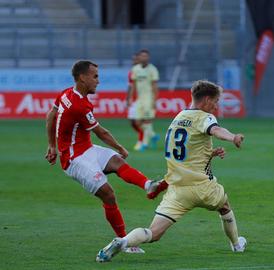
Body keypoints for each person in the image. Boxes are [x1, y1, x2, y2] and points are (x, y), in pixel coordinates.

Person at [96, 80, 247, 262]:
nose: (216, 107)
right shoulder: (204, 117)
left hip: (177, 190)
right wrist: (233, 137)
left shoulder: (178, 118)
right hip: (202, 187)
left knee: (154, 233)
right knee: (225, 207)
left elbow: (185, 152)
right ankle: (236, 245)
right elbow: (216, 130)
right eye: (215, 102)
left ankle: (123, 242)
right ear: (206, 100)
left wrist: (210, 153)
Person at [45, 60, 168, 253]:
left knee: (117, 163)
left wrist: (52, 145)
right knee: (109, 195)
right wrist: (121, 147)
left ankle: (148, 185)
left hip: (86, 149)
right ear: (82, 78)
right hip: (74, 159)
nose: (98, 81)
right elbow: (101, 132)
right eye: (95, 76)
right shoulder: (80, 106)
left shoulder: (66, 93)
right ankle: (123, 242)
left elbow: (51, 115)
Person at [131, 49, 160, 151]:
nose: (144, 58)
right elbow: (133, 85)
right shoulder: (135, 69)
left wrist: (155, 100)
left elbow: (155, 86)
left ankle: (144, 144)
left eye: (146, 56)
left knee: (147, 121)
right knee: (138, 122)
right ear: (139, 57)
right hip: (139, 99)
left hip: (149, 99)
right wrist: (131, 97)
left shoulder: (153, 69)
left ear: (148, 57)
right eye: (142, 56)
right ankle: (153, 135)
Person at [126, 53, 144, 151]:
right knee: (132, 122)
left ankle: (140, 142)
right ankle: (148, 134)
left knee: (138, 121)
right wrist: (128, 98)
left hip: (141, 100)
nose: (134, 61)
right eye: (133, 60)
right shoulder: (131, 72)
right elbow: (130, 86)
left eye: (136, 59)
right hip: (133, 100)